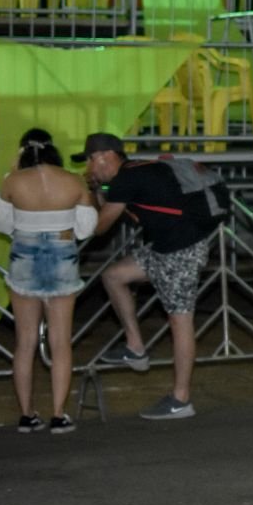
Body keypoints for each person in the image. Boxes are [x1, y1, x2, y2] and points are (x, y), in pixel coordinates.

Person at [77, 132, 217, 421]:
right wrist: (101, 190)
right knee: (114, 276)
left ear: (105, 156)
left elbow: (100, 226)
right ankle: (135, 347)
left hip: (181, 249)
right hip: (168, 247)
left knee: (180, 320)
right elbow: (117, 205)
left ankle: (181, 399)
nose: (89, 167)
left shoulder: (127, 179)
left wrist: (88, 196)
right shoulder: (137, 170)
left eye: (90, 160)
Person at [0, 128, 96, 434]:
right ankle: (59, 414)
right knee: (60, 342)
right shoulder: (73, 181)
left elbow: (2, 223)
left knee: (24, 342)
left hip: (24, 255)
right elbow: (86, 229)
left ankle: (27, 415)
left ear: (22, 150)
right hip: (63, 254)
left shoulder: (13, 181)